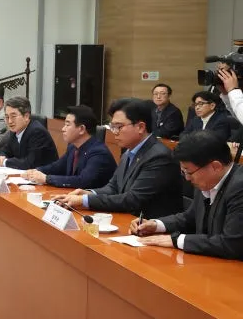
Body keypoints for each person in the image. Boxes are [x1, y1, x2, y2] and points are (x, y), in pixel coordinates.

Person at [52, 98, 183, 218]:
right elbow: (113, 187)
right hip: (128, 220)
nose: (114, 132)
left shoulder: (159, 157)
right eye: (112, 127)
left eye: (119, 127)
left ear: (141, 127)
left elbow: (132, 200)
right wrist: (88, 194)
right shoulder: (128, 152)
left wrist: (84, 201)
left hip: (151, 227)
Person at [131, 131, 243, 260]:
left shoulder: (239, 187)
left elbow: (233, 244)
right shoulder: (207, 180)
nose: (187, 178)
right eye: (183, 172)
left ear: (215, 166)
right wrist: (156, 225)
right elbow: (190, 218)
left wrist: (177, 240)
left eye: (189, 172)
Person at [23, 105, 116, 190]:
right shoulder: (73, 147)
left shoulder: (99, 153)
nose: (63, 129)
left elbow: (83, 181)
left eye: (67, 125)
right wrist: (36, 171)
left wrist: (47, 179)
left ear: (82, 129)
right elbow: (57, 166)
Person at [0, 96, 58, 169]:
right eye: (7, 117)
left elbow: (29, 163)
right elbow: (4, 150)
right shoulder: (14, 131)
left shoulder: (37, 132)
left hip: (46, 175)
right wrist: (0, 157)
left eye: (13, 116)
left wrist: (4, 162)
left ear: (26, 116)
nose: (10, 121)